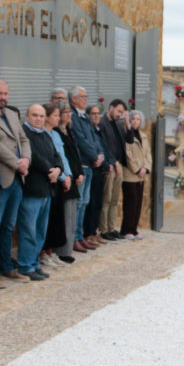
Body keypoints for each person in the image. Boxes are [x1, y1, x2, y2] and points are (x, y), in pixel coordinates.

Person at [0, 79, 31, 283]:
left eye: (6, 94)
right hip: (0, 178)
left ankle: (6, 266)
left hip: (17, 179)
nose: (3, 98)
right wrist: (17, 163)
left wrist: (26, 159)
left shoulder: (11, 114)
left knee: (9, 226)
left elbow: (24, 139)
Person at [18, 103, 64, 280]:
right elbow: (34, 156)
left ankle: (35, 263)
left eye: (41, 115)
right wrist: (49, 171)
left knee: (40, 231)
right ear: (27, 117)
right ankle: (25, 265)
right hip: (32, 189)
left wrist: (58, 170)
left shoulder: (45, 134)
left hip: (47, 190)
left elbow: (56, 155)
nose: (38, 118)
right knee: (28, 230)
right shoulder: (24, 134)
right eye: (34, 115)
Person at [68, 86, 103, 251]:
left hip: (90, 164)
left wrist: (100, 154)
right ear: (73, 99)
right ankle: (75, 237)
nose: (85, 99)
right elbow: (81, 141)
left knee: (85, 202)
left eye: (86, 96)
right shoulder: (74, 117)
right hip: (82, 163)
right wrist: (95, 156)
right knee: (79, 202)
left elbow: (94, 138)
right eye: (82, 96)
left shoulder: (85, 117)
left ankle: (80, 236)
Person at [41, 102, 74, 267]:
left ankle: (51, 251)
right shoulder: (42, 134)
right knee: (47, 220)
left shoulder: (56, 134)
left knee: (57, 220)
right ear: (46, 117)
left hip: (61, 179)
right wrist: (60, 176)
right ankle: (43, 253)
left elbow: (62, 157)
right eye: (54, 115)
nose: (58, 118)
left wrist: (67, 175)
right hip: (51, 180)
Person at [54, 105, 84, 261]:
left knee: (72, 215)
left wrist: (79, 173)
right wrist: (68, 175)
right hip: (65, 178)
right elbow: (63, 157)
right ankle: (63, 251)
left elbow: (75, 155)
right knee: (65, 217)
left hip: (73, 176)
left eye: (68, 112)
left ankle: (69, 247)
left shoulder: (69, 131)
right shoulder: (57, 133)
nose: (68, 115)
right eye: (64, 113)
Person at [98, 99, 129, 240]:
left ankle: (111, 227)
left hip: (119, 166)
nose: (119, 114)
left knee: (115, 199)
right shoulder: (102, 123)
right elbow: (104, 146)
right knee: (107, 198)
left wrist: (127, 124)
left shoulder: (118, 124)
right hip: (110, 166)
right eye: (118, 111)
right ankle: (104, 230)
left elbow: (126, 141)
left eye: (122, 112)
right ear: (111, 108)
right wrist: (114, 162)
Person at [121, 110, 151, 239]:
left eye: (138, 119)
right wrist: (137, 169)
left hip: (142, 175)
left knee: (138, 202)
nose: (135, 121)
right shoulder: (127, 135)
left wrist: (145, 168)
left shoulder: (143, 136)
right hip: (130, 174)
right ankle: (126, 229)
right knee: (130, 203)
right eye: (133, 119)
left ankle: (134, 229)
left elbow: (148, 154)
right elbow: (128, 155)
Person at [82, 104, 108, 249]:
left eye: (98, 113)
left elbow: (103, 148)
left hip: (100, 168)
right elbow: (90, 147)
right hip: (92, 167)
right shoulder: (88, 131)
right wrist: (96, 157)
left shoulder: (98, 130)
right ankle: (88, 233)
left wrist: (104, 160)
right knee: (89, 203)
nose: (97, 116)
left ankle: (93, 231)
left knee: (97, 203)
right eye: (93, 114)